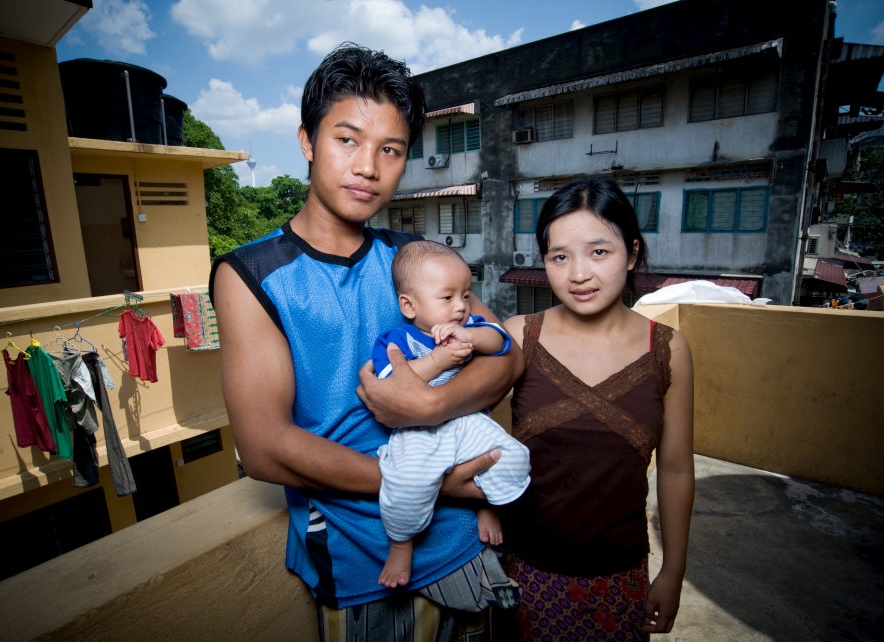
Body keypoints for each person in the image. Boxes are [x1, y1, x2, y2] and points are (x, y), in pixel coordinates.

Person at [210, 44, 522, 641]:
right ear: (307, 141)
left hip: (468, 542)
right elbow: (264, 448)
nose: (368, 166)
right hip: (364, 560)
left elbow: (506, 351)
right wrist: (423, 480)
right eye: (346, 140)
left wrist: (430, 404)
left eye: (391, 149)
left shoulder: (411, 259)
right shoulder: (252, 274)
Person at [500, 176, 695, 640]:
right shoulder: (518, 337)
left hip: (621, 578)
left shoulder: (668, 350)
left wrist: (673, 571)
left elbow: (674, 470)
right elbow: (470, 441)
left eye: (599, 252)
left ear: (631, 253)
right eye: (559, 257)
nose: (578, 274)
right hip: (524, 573)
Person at [372, 240, 531, 589]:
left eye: (466, 294)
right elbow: (393, 388)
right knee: (406, 485)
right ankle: (401, 543)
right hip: (417, 433)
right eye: (448, 298)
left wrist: (471, 334)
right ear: (409, 305)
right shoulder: (396, 340)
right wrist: (440, 359)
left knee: (514, 456)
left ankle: (490, 503)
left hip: (467, 422)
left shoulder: (472, 325)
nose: (460, 306)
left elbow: (501, 341)